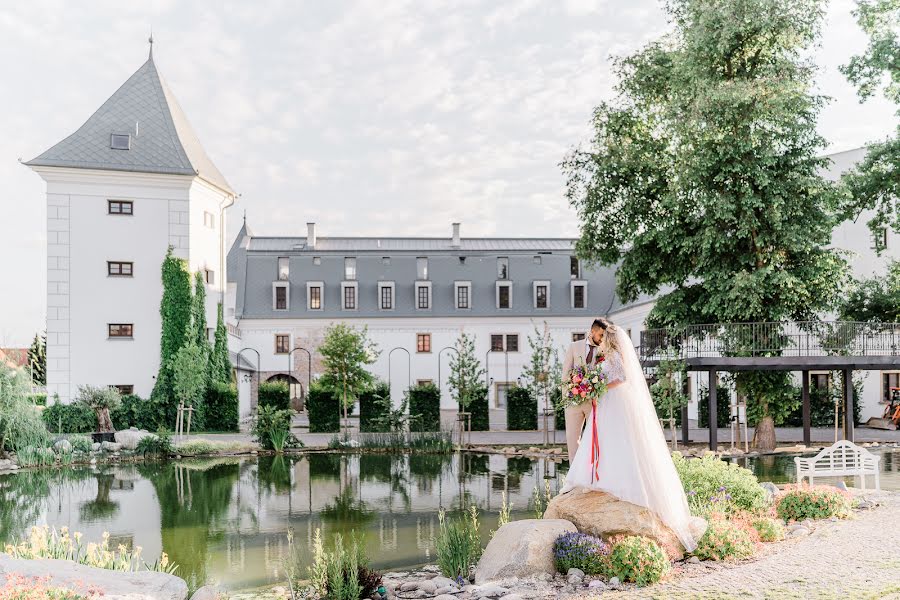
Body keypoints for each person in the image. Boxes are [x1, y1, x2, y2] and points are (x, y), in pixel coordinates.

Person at [559, 317, 698, 551]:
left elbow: (621, 378)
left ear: (609, 339)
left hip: (611, 402)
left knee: (615, 439)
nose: (600, 340)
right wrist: (592, 385)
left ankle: (611, 480)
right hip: (599, 401)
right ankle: (595, 478)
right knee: (604, 440)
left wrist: (598, 385)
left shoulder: (613, 357)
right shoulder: (595, 352)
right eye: (599, 336)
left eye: (604, 337)